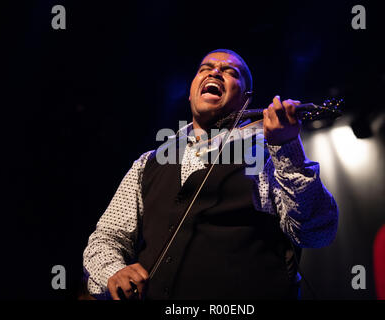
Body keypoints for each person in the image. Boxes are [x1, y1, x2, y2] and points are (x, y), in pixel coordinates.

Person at [83, 49, 338, 300]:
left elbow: (316, 232)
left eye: (230, 72)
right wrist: (113, 271)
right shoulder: (147, 163)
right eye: (205, 69)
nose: (215, 72)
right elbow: (106, 237)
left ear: (246, 98)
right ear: (191, 92)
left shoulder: (267, 156)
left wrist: (287, 148)